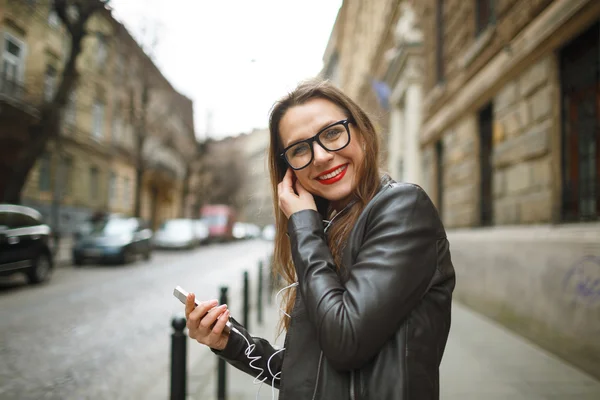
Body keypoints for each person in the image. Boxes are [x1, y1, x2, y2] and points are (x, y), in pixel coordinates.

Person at [185, 79, 456, 399]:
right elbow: (307, 374)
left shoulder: (402, 209)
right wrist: (229, 342)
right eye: (300, 149)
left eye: (332, 133)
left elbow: (345, 342)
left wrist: (303, 224)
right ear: (289, 170)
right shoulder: (327, 229)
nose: (321, 156)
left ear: (362, 133)